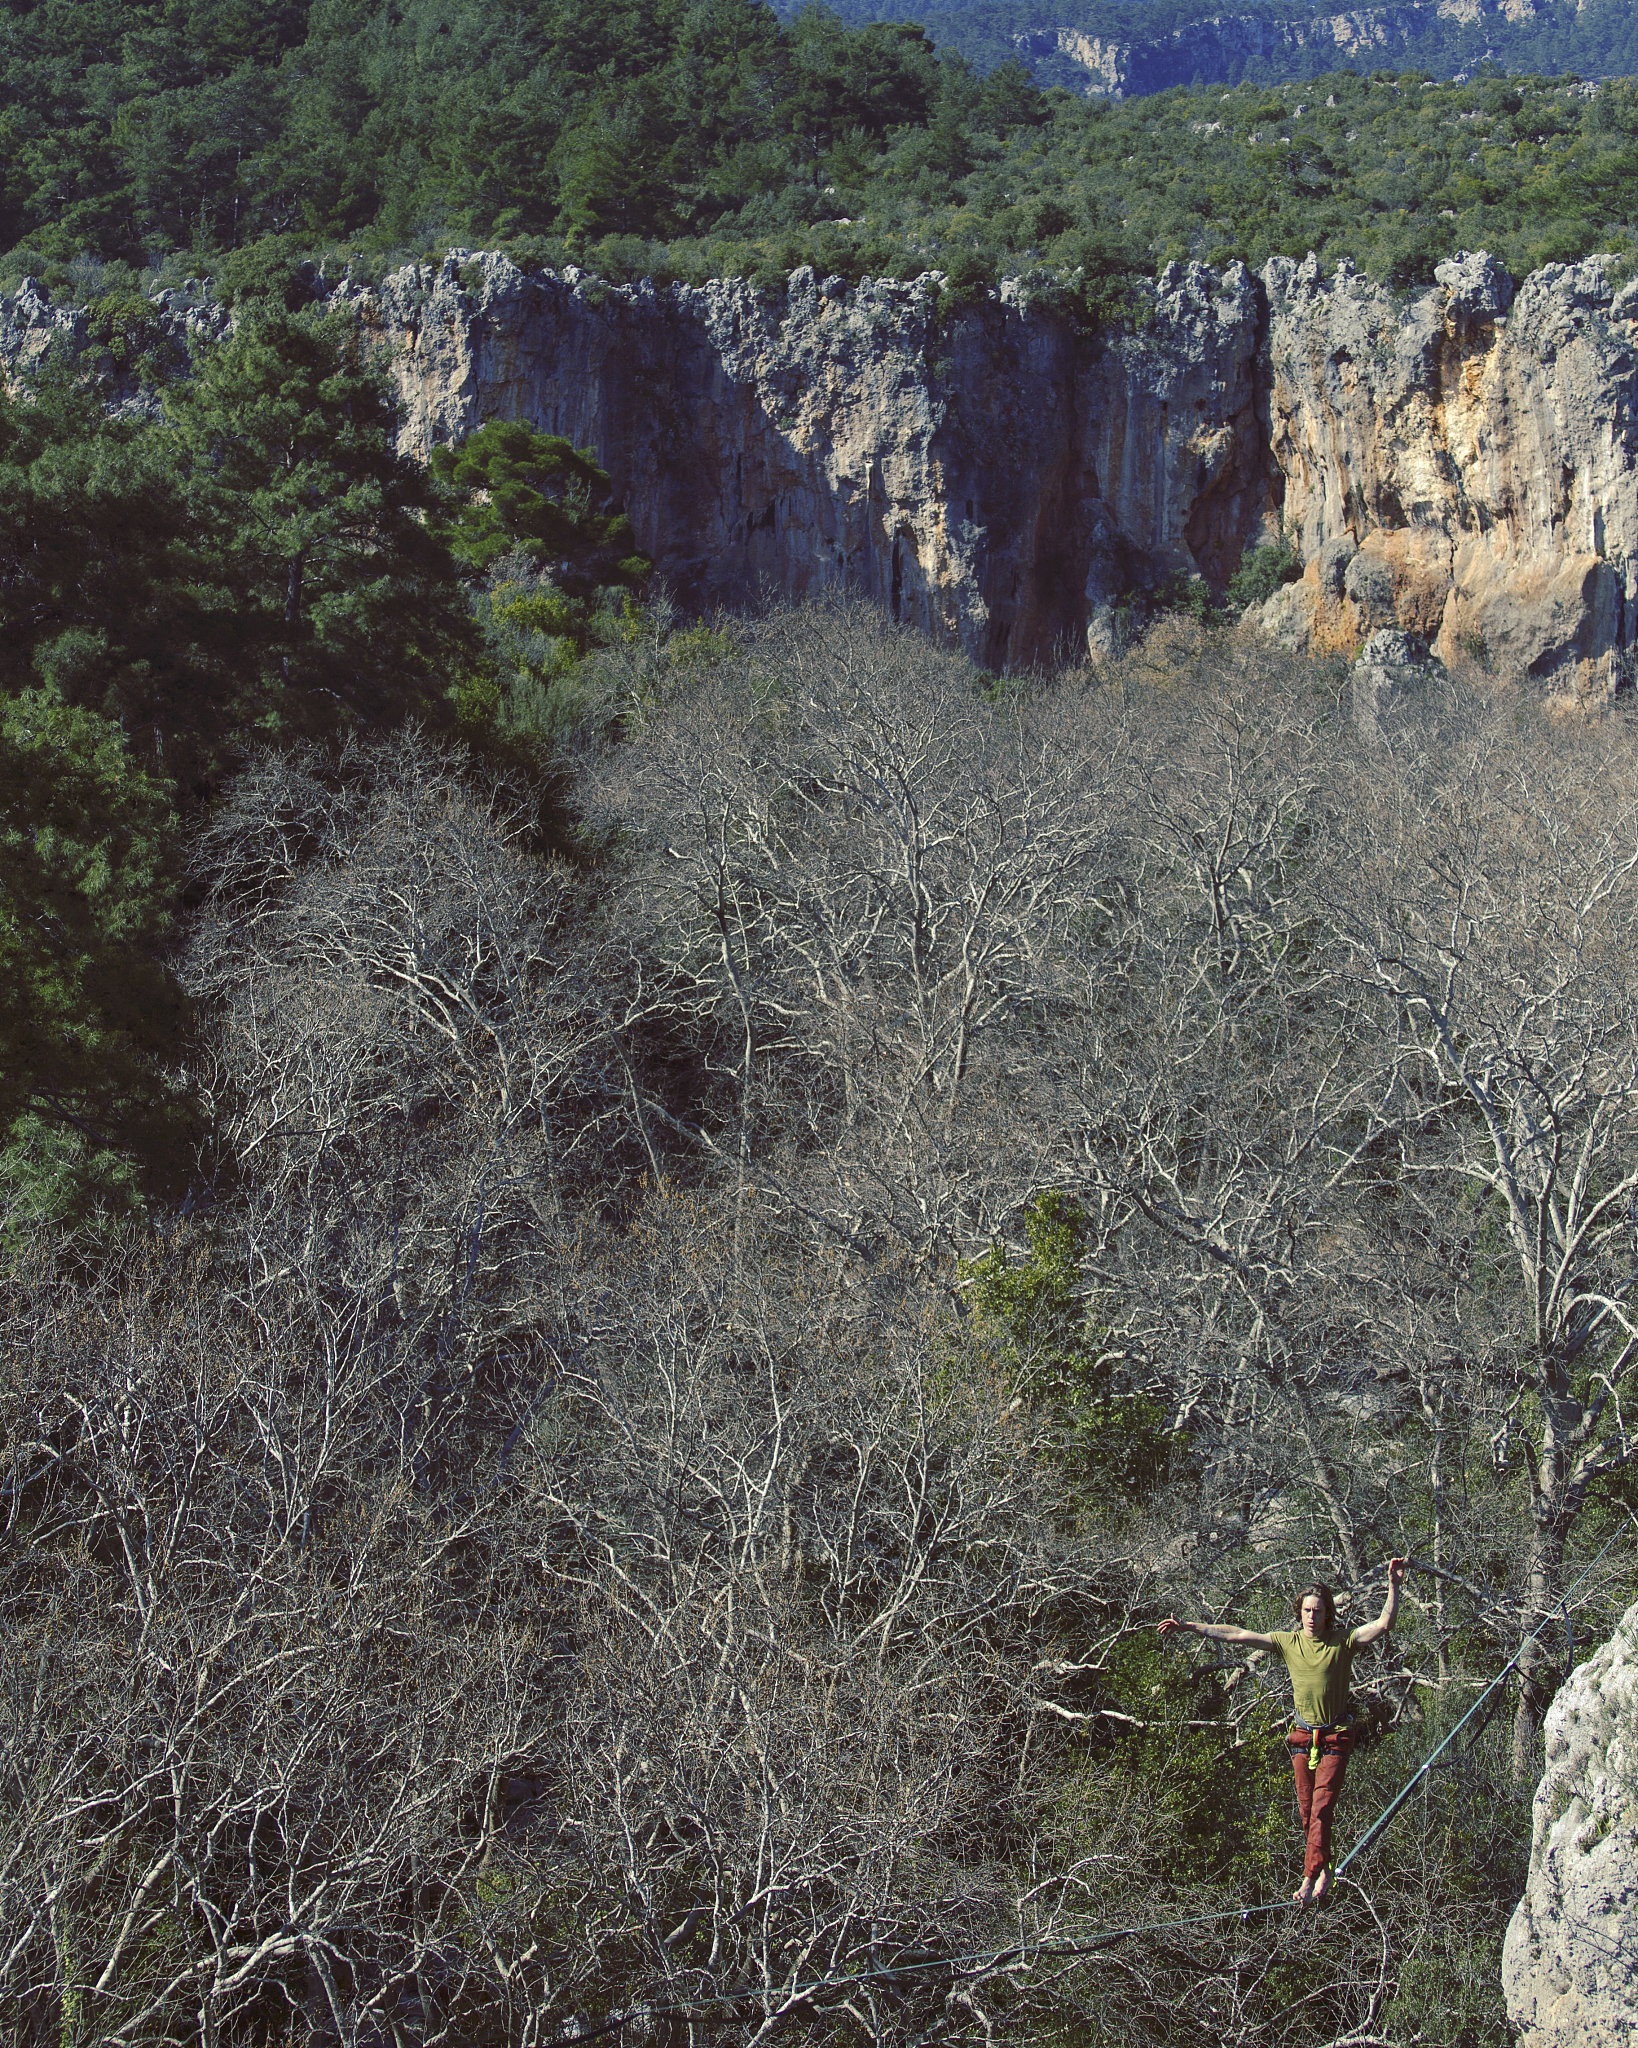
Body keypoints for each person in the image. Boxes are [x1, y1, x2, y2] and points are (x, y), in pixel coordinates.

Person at [1157, 1557, 1408, 1906]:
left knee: (1321, 1808)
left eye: (1317, 1611)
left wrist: (1393, 1586)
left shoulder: (1343, 1641)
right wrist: (1190, 1627)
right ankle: (1325, 1869)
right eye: (1306, 1610)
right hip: (1302, 1737)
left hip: (1334, 1737)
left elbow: (1383, 1624)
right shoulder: (1288, 1642)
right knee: (1307, 1812)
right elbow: (1237, 1634)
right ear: (1299, 1613)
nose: (1311, 1616)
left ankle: (1308, 1877)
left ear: (1328, 1613)